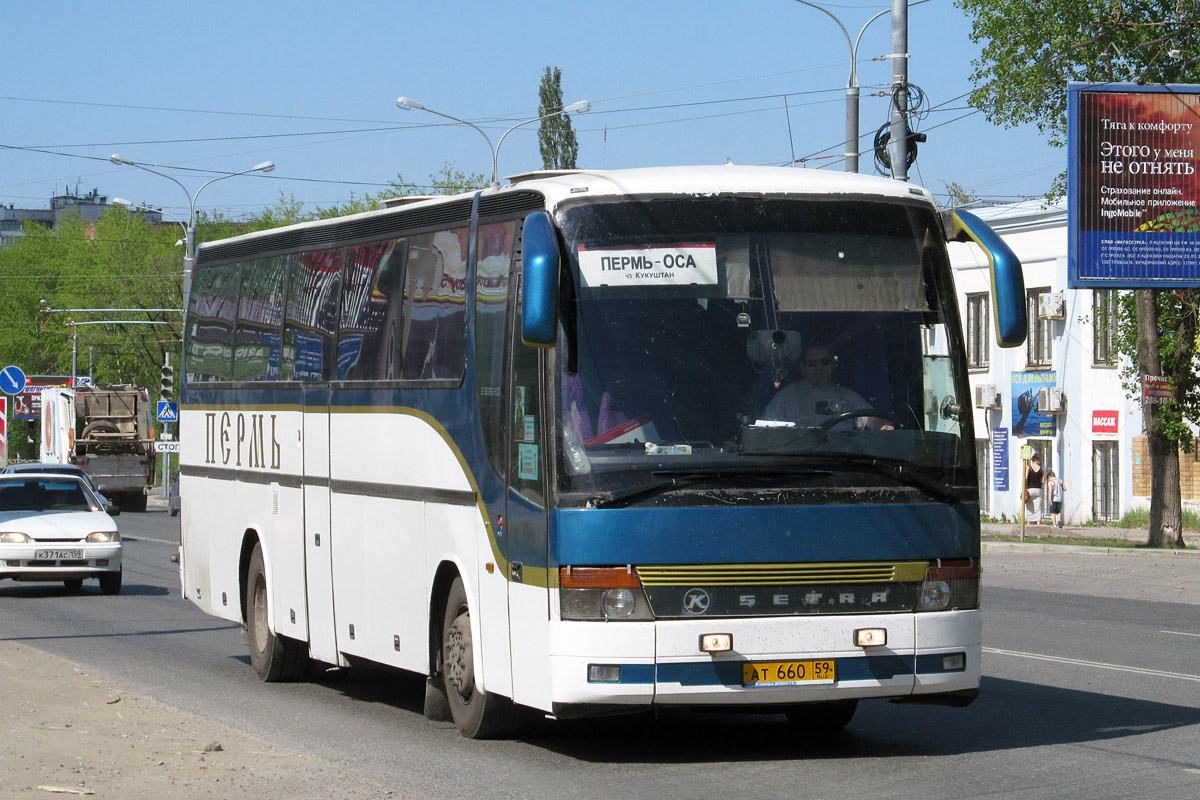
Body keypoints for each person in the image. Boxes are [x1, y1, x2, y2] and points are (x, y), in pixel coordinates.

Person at [762, 342, 878, 428]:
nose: (819, 368)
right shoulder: (785, 397)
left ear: (833, 365)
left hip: (842, 457)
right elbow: (765, 429)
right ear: (803, 368)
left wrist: (885, 427)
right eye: (812, 363)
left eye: (824, 362)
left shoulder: (847, 396)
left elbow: (871, 418)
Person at [1024, 453, 1045, 525]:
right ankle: (1038, 522)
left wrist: (1025, 487)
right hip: (1038, 489)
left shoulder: (1028, 467)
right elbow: (1042, 482)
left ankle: (1028, 522)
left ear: (1032, 460)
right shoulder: (1041, 469)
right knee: (1038, 507)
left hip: (1030, 489)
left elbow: (1026, 478)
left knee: (1029, 506)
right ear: (1038, 460)